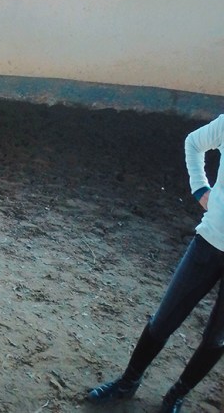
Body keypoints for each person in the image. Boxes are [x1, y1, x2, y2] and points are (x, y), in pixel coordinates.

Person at [85, 113, 224, 412]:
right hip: (209, 241)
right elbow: (193, 142)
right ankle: (128, 382)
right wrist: (201, 189)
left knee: (217, 338)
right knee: (163, 320)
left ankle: (176, 395)